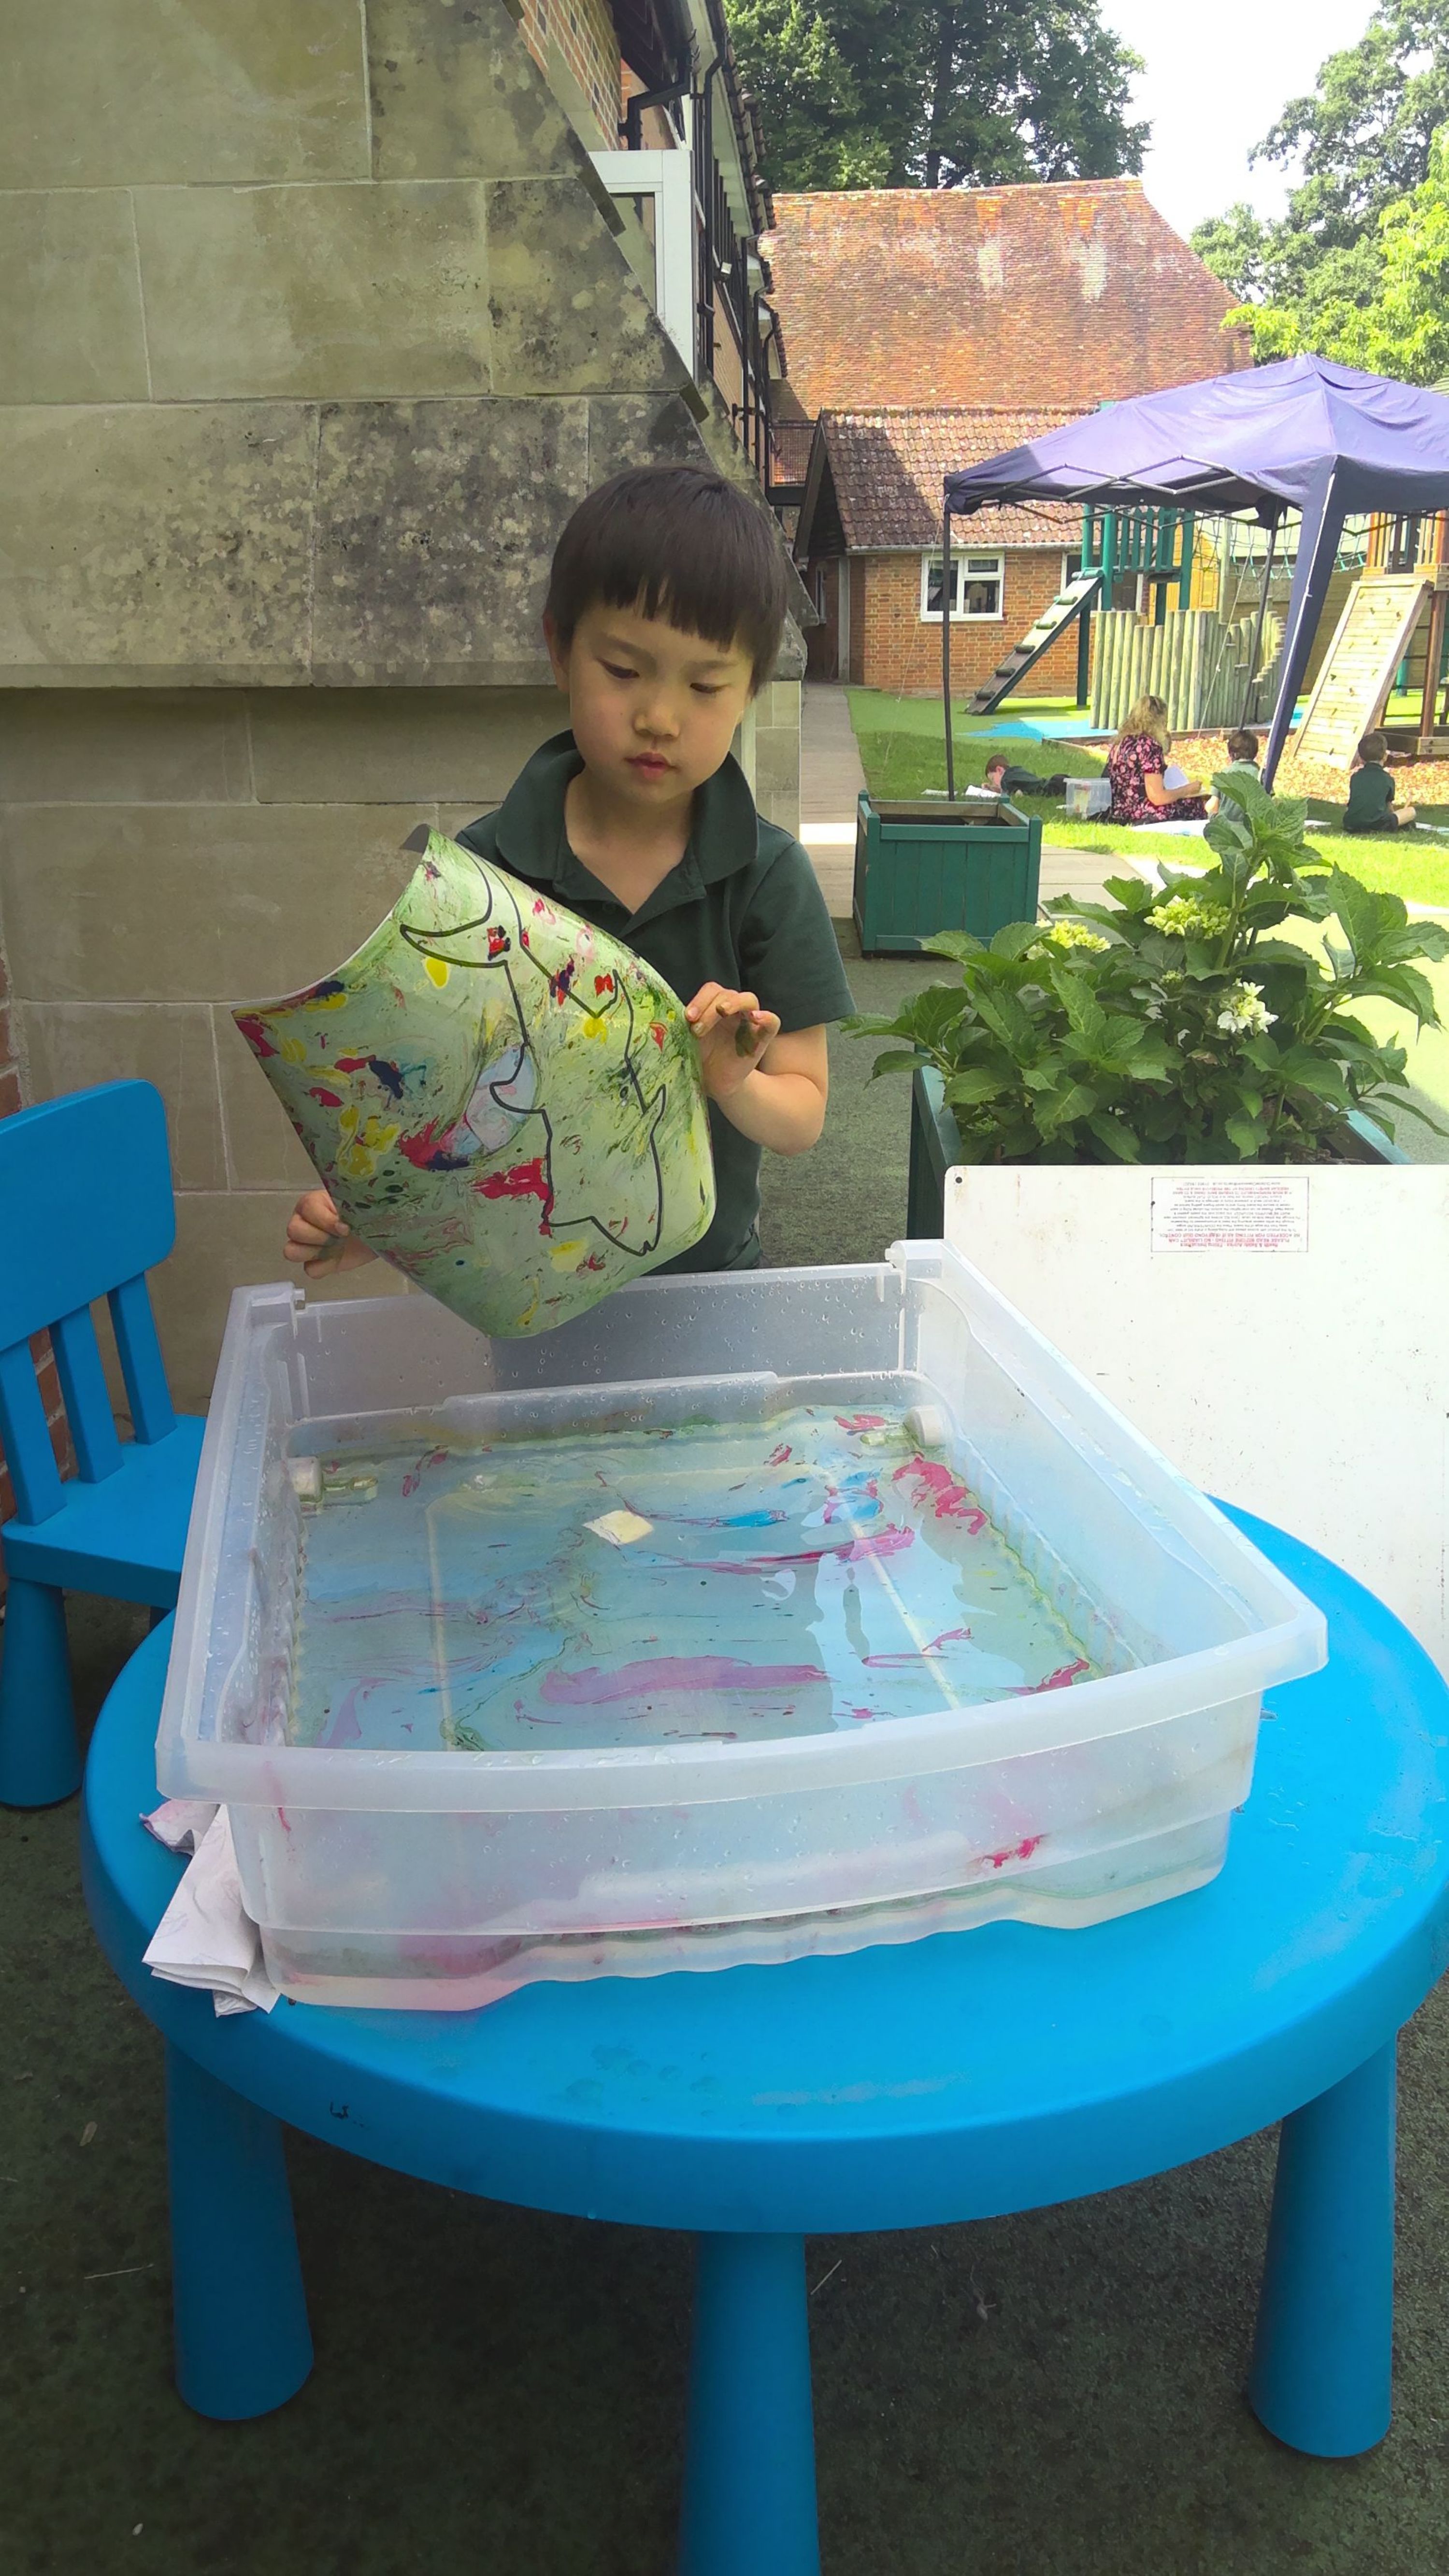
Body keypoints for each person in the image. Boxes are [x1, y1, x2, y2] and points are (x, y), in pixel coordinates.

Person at [284, 464, 857, 1284]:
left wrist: (731, 1080)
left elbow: (802, 1114)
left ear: (749, 692)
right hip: (526, 1292)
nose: (658, 717)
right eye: (622, 671)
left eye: (704, 685)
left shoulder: (767, 877)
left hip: (710, 1289)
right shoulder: (484, 874)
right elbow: (452, 1104)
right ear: (560, 650)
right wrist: (377, 1224)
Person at [1105, 693, 1208, 824]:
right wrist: (1186, 790)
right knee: (1194, 805)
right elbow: (1158, 797)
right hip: (1142, 813)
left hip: (1120, 811)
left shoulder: (1120, 743)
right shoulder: (1149, 746)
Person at [1344, 730, 1417, 834]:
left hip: (1351, 824)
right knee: (1411, 812)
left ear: (1361, 759)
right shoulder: (1387, 779)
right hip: (1378, 825)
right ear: (1385, 757)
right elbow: (1389, 807)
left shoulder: (1356, 777)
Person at [980, 754, 1069, 799]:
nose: (994, 783)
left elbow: (1018, 794)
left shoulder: (1006, 780)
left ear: (999, 770)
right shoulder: (1016, 771)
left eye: (993, 779)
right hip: (1055, 781)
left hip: (1050, 790)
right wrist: (992, 788)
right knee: (1074, 786)